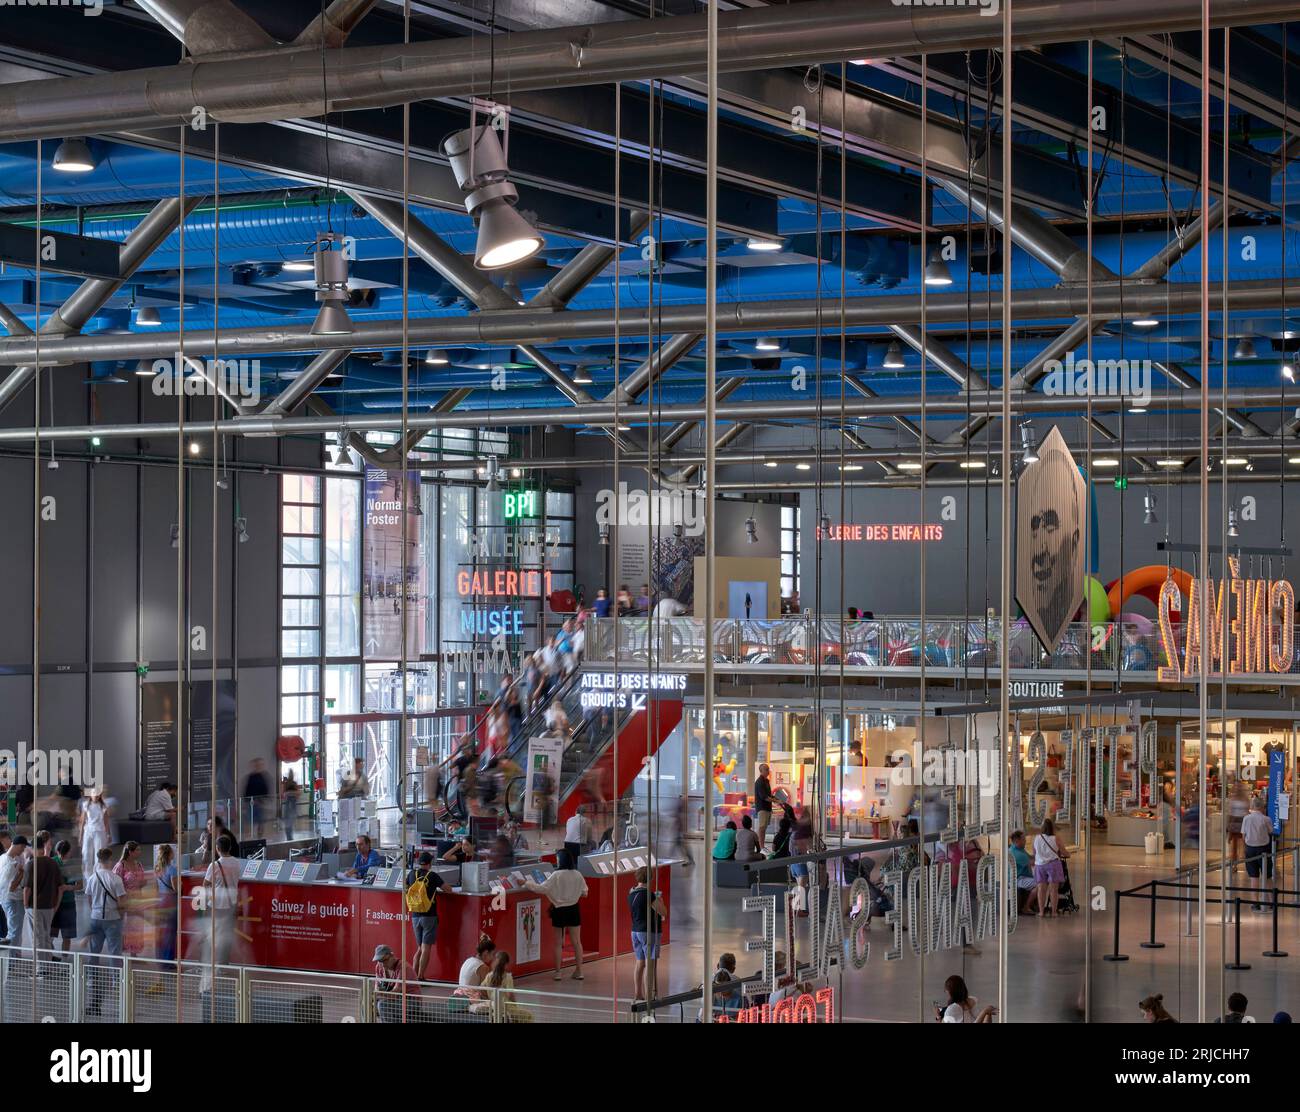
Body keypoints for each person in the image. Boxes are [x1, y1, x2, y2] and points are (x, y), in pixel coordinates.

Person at [524, 850, 588, 981]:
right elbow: (585, 893)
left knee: (558, 942)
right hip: (574, 909)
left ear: (560, 860)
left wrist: (526, 883)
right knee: (577, 942)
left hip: (559, 910)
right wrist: (573, 893)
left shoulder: (556, 875)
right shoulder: (578, 874)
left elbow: (541, 889)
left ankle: (558, 972)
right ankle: (579, 971)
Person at [83, 847, 126, 1016]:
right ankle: (117, 980)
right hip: (112, 918)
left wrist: (94, 910)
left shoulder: (92, 878)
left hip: (95, 917)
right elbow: (122, 901)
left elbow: (88, 897)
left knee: (94, 951)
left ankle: (91, 978)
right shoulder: (116, 879)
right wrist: (121, 915)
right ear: (110, 860)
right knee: (115, 951)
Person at [400, 849, 450, 982]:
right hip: (429, 915)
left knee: (419, 948)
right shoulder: (432, 876)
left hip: (415, 914)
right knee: (426, 947)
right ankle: (421, 976)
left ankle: (412, 976)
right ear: (430, 863)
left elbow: (405, 887)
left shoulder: (411, 874)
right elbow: (448, 889)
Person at [628, 866, 668, 1002]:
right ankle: (649, 996)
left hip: (635, 931)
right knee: (650, 965)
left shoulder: (631, 893)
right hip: (649, 932)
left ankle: (638, 993)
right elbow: (663, 912)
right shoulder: (649, 895)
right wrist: (661, 901)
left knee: (640, 963)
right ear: (650, 878)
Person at [202, 833, 241, 965]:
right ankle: (223, 962)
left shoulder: (214, 865)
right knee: (227, 935)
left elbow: (205, 884)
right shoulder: (237, 863)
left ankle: (211, 960)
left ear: (217, 849)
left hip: (216, 905)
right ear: (229, 848)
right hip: (231, 904)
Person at [22, 830, 62, 954]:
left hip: (35, 906)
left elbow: (27, 888)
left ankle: (40, 968)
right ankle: (48, 965)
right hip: (49, 906)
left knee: (37, 937)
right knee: (46, 936)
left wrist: (25, 905)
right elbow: (59, 886)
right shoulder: (53, 863)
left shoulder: (31, 864)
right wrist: (55, 904)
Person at [473, 951, 532, 1021]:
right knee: (529, 1015)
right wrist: (515, 1005)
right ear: (506, 964)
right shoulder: (508, 977)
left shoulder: (489, 976)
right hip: (505, 1007)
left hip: (492, 1005)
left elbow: (481, 988)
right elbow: (510, 995)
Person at [113, 841, 148, 957]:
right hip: (125, 900)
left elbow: (143, 880)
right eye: (137, 850)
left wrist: (143, 882)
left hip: (138, 900)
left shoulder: (139, 864)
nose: (140, 852)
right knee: (124, 927)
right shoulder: (120, 866)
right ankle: (119, 954)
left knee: (136, 927)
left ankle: (134, 954)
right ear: (130, 852)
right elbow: (115, 884)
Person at [1242, 797, 1274, 910]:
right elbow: (1271, 832)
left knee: (1253, 876)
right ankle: (1271, 901)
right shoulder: (1266, 819)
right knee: (1267, 875)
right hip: (1263, 849)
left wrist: (1245, 848)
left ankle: (1255, 902)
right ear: (1261, 807)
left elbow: (1243, 835)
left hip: (1250, 849)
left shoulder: (1246, 818)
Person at [1033, 817, 1069, 917]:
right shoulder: (1056, 838)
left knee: (1041, 889)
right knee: (1053, 890)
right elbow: (1063, 851)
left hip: (1039, 865)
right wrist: (1068, 854)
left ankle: (1041, 911)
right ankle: (1053, 912)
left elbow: (1034, 852)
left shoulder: (1037, 838)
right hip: (1053, 865)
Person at [50, 840, 79, 956]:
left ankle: (65, 959)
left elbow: (80, 885)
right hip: (54, 903)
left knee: (67, 936)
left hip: (68, 903)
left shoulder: (74, 865)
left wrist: (67, 887)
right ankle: (49, 957)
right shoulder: (52, 863)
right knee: (50, 934)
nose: (62, 857)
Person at [0, 835, 27, 946]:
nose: (23, 850)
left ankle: (15, 955)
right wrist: (22, 872)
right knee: (15, 930)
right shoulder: (11, 864)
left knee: (15, 929)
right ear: (19, 846)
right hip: (14, 899)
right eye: (23, 847)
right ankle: (12, 959)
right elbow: (11, 886)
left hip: (6, 898)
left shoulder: (2, 857)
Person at [78, 786, 110, 877]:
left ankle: (98, 878)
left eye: (97, 794)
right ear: (90, 795)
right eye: (94, 794)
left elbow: (106, 822)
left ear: (100, 796)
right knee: (86, 854)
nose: (95, 796)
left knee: (99, 855)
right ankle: (87, 880)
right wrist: (80, 836)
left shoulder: (103, 806)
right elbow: (83, 821)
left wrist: (108, 835)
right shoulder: (86, 805)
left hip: (100, 832)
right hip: (88, 831)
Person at [154, 843, 178, 963]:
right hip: (170, 901)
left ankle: (160, 957)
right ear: (169, 854)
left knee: (162, 931)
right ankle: (168, 960)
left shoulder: (157, 868)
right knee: (170, 932)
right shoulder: (172, 869)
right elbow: (176, 889)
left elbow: (156, 888)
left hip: (160, 901)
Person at [456, 936, 497, 1002]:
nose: (492, 958)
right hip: (471, 999)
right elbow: (485, 991)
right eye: (492, 954)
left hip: (459, 995)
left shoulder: (468, 960)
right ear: (486, 953)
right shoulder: (483, 967)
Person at [1009, 831, 1040, 915]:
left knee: (1039, 882)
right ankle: (1026, 907)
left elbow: (1031, 857)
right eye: (1024, 839)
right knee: (1041, 884)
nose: (1026, 841)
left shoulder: (1018, 849)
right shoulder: (1016, 853)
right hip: (1019, 879)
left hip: (1023, 877)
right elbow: (1033, 862)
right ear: (1017, 841)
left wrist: (1039, 853)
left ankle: (1035, 906)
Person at [243, 757, 272, 837]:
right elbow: (246, 791)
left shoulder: (264, 776)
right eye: (256, 765)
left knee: (260, 822)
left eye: (260, 764)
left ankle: (259, 837)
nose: (258, 766)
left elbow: (267, 790)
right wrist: (246, 803)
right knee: (251, 822)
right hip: (251, 803)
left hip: (260, 804)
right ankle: (251, 838)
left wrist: (264, 801)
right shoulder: (250, 777)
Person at [753, 763, 774, 848]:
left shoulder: (766, 781)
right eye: (766, 769)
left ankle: (762, 846)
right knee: (762, 828)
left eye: (768, 769)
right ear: (761, 771)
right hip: (762, 808)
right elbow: (764, 797)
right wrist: (775, 800)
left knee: (764, 828)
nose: (768, 771)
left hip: (767, 808)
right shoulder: (759, 782)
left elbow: (769, 795)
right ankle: (761, 847)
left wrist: (776, 799)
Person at [281, 771, 301, 841]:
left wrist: (290, 793)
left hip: (292, 804)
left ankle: (289, 836)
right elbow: (283, 794)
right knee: (288, 821)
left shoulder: (294, 783)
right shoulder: (286, 783)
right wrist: (292, 793)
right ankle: (289, 836)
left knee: (290, 820)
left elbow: (298, 793)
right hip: (288, 804)